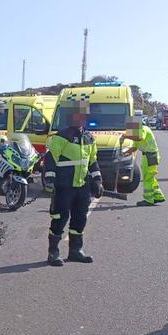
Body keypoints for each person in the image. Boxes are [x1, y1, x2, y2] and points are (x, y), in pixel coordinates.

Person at [43, 99, 104, 266]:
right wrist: (49, 179)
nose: (82, 117)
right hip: (64, 187)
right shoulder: (61, 136)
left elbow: (92, 162)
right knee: (59, 218)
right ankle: (53, 252)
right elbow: (50, 159)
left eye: (84, 115)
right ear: (72, 116)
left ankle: (75, 251)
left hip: (82, 187)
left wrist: (97, 180)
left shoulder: (89, 138)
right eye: (79, 114)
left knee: (80, 219)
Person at [135, 124, 165, 206]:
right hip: (147, 156)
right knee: (151, 177)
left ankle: (148, 200)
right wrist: (126, 153)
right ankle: (158, 196)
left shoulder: (143, 129)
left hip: (150, 156)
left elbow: (139, 138)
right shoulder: (135, 133)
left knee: (147, 178)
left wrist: (125, 136)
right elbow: (135, 147)